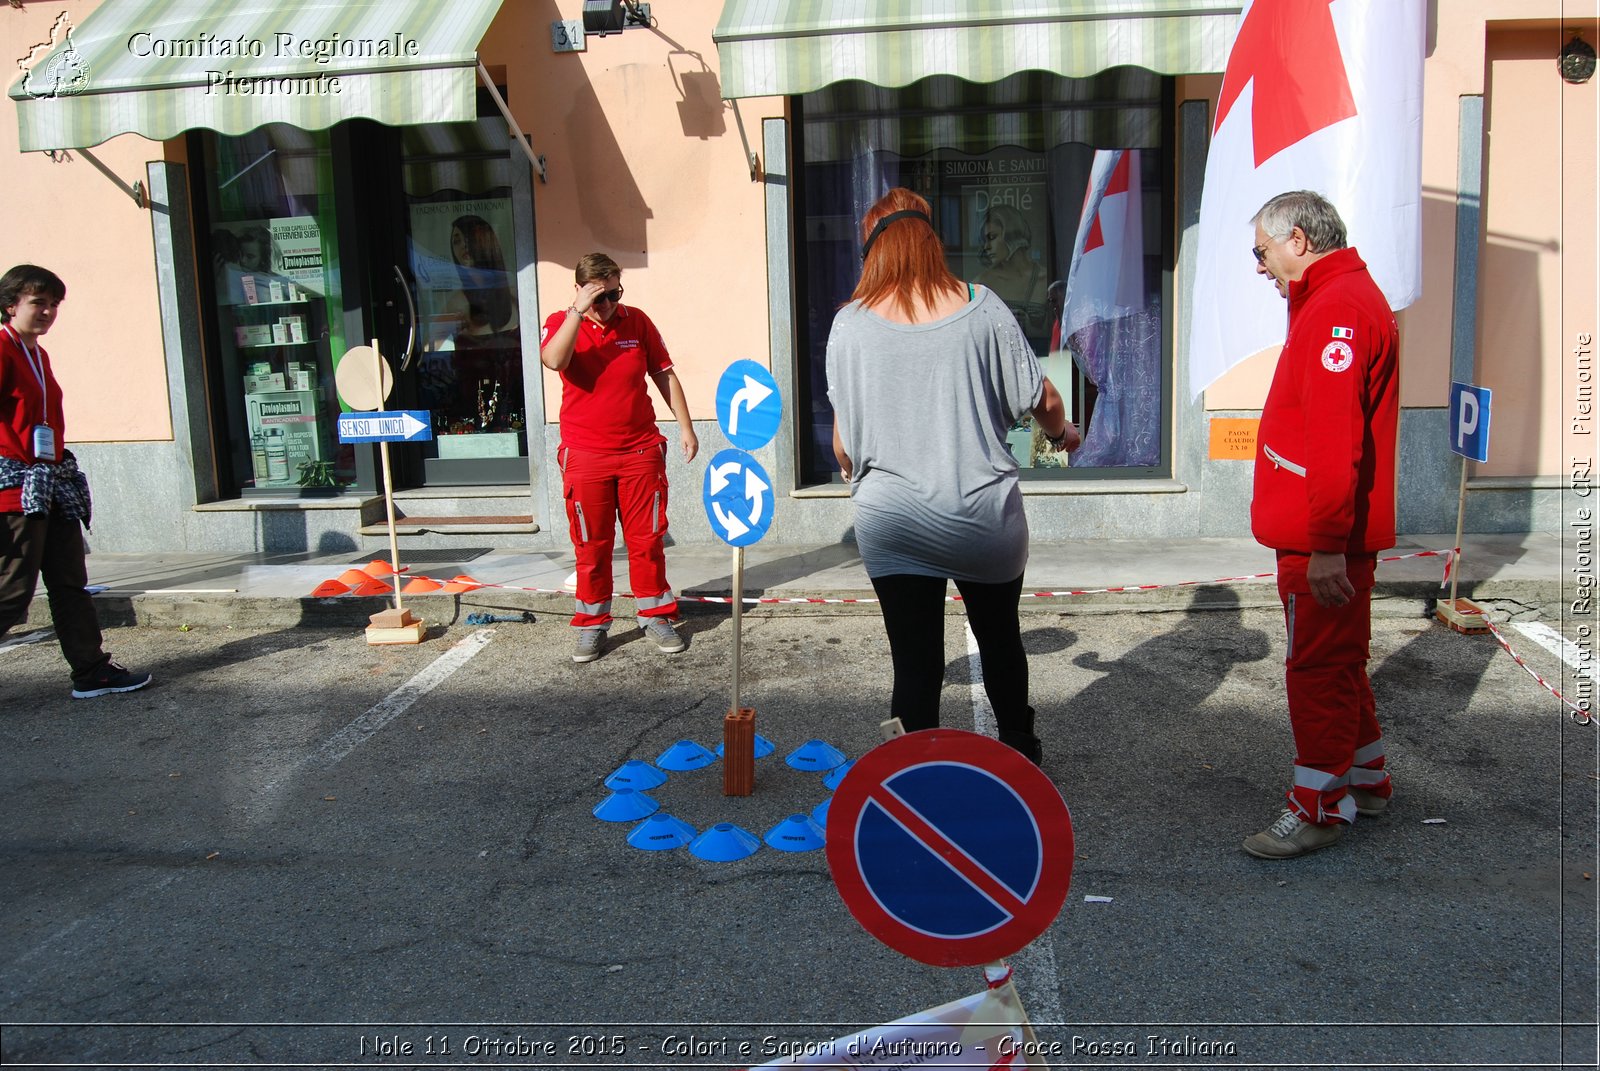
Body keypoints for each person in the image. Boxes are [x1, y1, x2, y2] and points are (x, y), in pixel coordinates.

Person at [827, 189, 1079, 763]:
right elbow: (1040, 398)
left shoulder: (848, 325)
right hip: (980, 516)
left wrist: (859, 471)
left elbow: (843, 446)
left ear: (873, 251)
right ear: (931, 241)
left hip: (892, 521)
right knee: (999, 641)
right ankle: (1018, 757)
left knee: (914, 663)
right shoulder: (982, 305)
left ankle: (911, 779)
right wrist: (1062, 436)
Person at [1241, 191, 1399, 860]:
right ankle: (1365, 778)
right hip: (1321, 534)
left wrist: (1328, 545)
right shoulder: (1341, 301)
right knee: (1339, 663)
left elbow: (1336, 443)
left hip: (1320, 541)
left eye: (1262, 251)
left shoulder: (1335, 310)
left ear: (1298, 239)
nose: (1260, 266)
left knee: (1318, 669)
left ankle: (1319, 806)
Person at [0, 264, 152, 699]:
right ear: (11, 304)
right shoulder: (2, 348)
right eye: (37, 302)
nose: (47, 311)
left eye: (53, 304)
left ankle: (92, 671)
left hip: (52, 483)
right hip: (16, 490)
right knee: (13, 592)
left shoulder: (37, 353)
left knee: (70, 583)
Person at [539, 253, 698, 663]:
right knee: (591, 544)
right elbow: (554, 360)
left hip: (639, 451)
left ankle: (656, 615)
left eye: (613, 294)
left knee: (647, 540)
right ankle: (592, 624)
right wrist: (579, 311)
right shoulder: (562, 322)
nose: (607, 304)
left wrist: (685, 426)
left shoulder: (637, 321)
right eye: (598, 296)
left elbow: (664, 373)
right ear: (579, 290)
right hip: (586, 454)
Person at [972, 203, 1052, 349]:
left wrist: (1030, 326)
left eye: (992, 237)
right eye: (985, 240)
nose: (986, 247)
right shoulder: (982, 284)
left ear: (1011, 234)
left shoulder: (1045, 279)